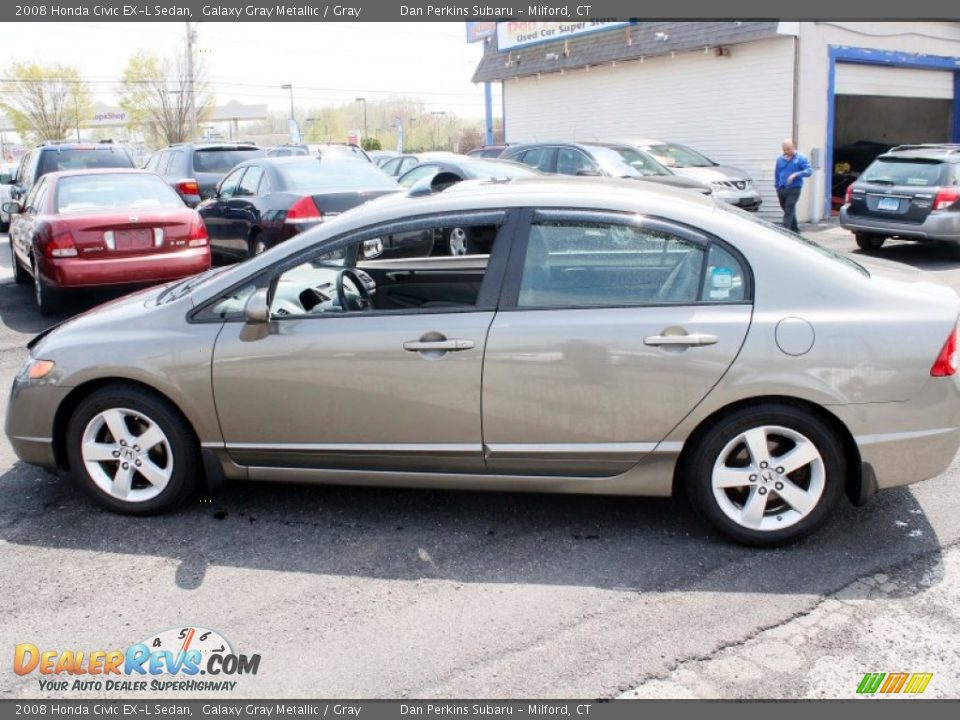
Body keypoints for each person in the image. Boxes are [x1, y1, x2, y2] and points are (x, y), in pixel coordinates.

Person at [774, 140, 812, 233]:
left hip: (794, 188)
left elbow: (809, 171)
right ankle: (795, 229)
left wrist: (796, 174)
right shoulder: (780, 159)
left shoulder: (801, 158)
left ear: (793, 147)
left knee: (789, 208)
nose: (786, 152)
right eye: (784, 150)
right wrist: (777, 187)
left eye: (788, 149)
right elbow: (777, 173)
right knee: (787, 209)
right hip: (782, 188)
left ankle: (784, 231)